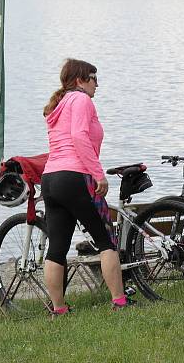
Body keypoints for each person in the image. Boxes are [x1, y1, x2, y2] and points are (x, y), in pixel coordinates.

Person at [41, 59, 131, 314]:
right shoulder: (81, 100)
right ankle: (119, 302)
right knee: (106, 241)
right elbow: (79, 137)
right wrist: (98, 175)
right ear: (80, 80)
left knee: (57, 246)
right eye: (93, 77)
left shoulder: (58, 104)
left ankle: (59, 308)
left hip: (51, 180)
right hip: (76, 177)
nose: (97, 83)